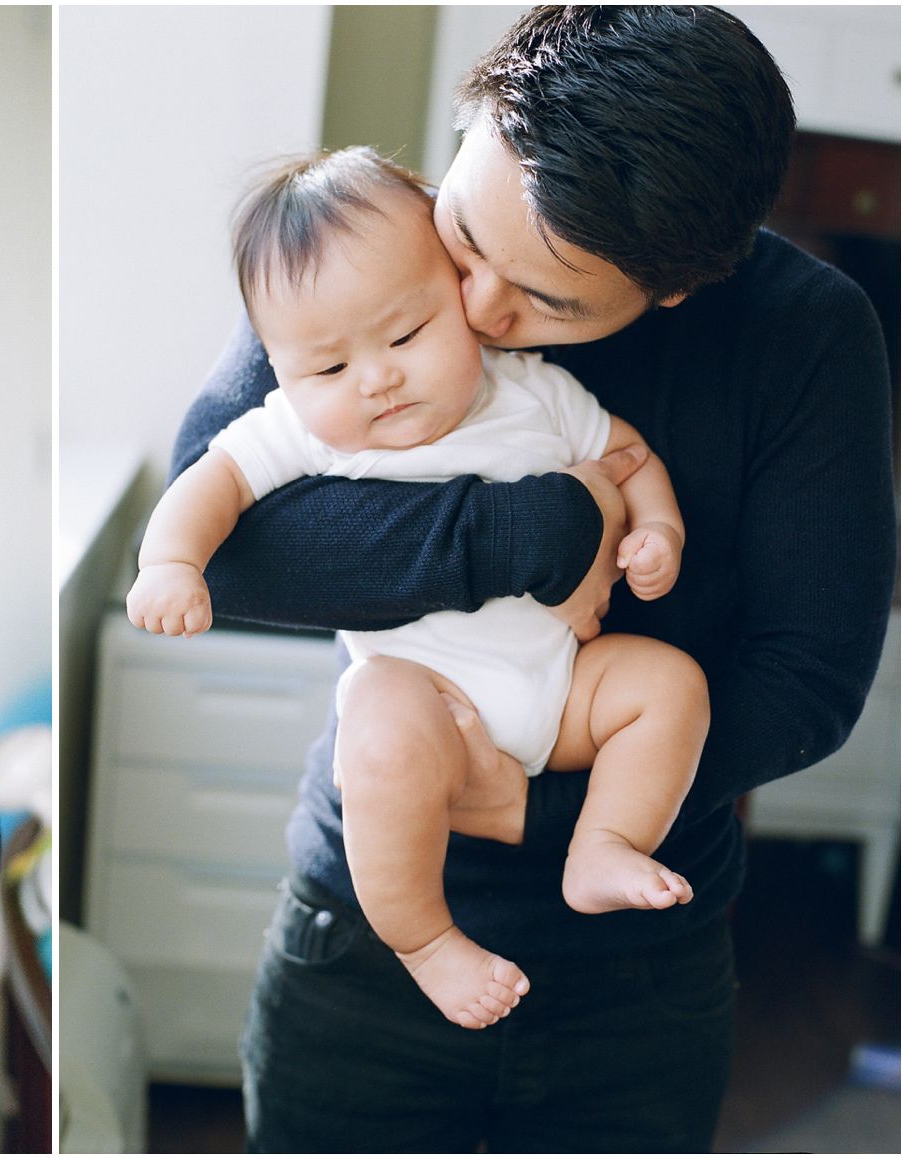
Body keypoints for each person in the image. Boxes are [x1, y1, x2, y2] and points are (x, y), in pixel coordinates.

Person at [167, 8, 893, 1152]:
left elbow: (808, 677)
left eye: (547, 302)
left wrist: (542, 809)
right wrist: (528, 530)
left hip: (635, 975)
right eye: (466, 236)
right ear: (465, 129)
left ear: (675, 290)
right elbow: (232, 543)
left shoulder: (804, 335)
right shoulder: (369, 240)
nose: (476, 308)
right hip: (363, 931)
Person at [129, 146, 707, 1031]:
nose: (377, 377)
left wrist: (656, 528)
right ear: (282, 369)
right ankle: (426, 941)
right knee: (381, 737)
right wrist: (170, 562)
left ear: (463, 301)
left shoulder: (533, 391)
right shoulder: (302, 430)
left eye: (406, 336)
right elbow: (212, 482)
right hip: (425, 694)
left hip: (564, 695)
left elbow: (628, 455)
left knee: (669, 687)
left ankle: (602, 842)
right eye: (328, 368)